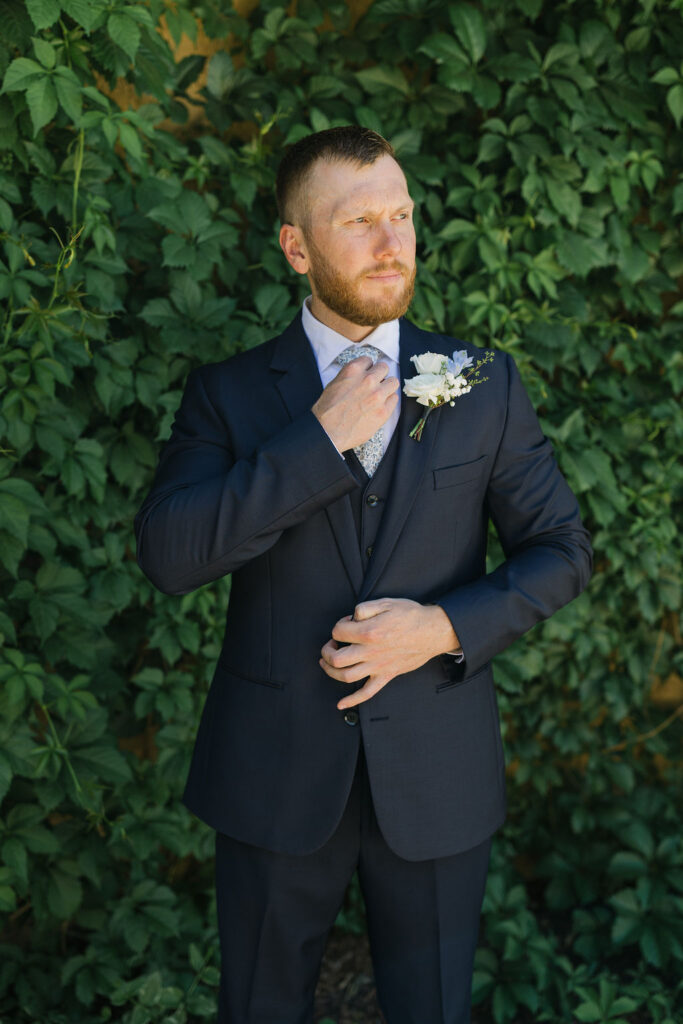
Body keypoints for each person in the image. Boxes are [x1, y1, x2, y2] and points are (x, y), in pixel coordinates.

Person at [134, 126, 592, 1024]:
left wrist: (443, 628)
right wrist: (315, 443)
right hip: (272, 774)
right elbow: (170, 557)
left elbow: (561, 550)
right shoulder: (228, 394)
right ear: (296, 246)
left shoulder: (481, 382)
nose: (392, 245)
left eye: (402, 216)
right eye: (358, 223)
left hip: (437, 770)